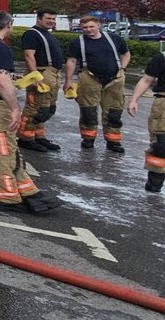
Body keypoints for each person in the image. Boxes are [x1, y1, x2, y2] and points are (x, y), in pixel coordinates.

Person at [0, 11, 57, 213]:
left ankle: (28, 192)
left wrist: (14, 76)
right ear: (9, 25)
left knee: (9, 149)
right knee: (1, 150)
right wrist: (15, 109)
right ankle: (7, 199)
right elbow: (1, 80)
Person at [62, 15, 131, 153]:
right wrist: (68, 80)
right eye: (85, 28)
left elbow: (126, 53)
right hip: (89, 78)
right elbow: (72, 61)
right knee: (88, 110)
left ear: (98, 25)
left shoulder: (114, 39)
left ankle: (113, 141)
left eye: (91, 26)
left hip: (115, 78)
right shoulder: (77, 43)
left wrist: (122, 69)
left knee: (114, 110)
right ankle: (88, 139)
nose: (88, 30)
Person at [18, 9, 64, 152]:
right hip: (42, 73)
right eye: (48, 18)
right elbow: (29, 55)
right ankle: (25, 138)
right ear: (38, 19)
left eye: (53, 19)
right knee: (36, 108)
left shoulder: (48, 35)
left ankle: (38, 136)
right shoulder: (32, 34)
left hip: (53, 75)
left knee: (48, 108)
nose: (51, 21)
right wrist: (35, 76)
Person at [128, 50, 165, 192]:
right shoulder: (161, 58)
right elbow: (146, 80)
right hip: (163, 104)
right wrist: (134, 100)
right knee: (161, 145)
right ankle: (154, 185)